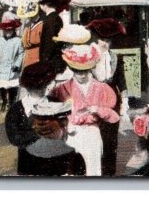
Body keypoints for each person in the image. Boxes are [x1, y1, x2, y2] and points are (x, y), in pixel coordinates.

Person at [49, 43, 119, 176]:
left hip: (92, 132)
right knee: (71, 169)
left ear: (90, 69)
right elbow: (53, 110)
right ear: (71, 69)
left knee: (93, 169)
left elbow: (113, 115)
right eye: (77, 71)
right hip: (71, 133)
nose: (82, 75)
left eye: (85, 71)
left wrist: (98, 109)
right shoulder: (63, 88)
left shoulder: (101, 88)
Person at [86, 18, 129, 176]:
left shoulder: (115, 57)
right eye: (102, 39)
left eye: (109, 40)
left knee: (110, 140)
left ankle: (109, 174)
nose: (106, 43)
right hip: (92, 100)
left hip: (112, 102)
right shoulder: (87, 55)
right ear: (96, 38)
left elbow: (121, 82)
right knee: (93, 138)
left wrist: (124, 102)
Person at [0, 16, 24, 112]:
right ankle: (4, 101)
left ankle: (12, 103)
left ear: (13, 30)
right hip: (1, 67)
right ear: (3, 30)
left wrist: (17, 65)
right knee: (2, 87)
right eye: (6, 30)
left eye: (10, 30)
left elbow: (21, 53)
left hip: (12, 68)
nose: (8, 32)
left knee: (12, 87)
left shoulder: (18, 41)